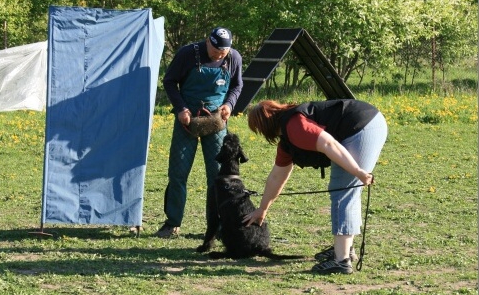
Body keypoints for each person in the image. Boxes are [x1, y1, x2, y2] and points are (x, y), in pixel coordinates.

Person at [243, 99, 387, 274]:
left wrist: (358, 171)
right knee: (344, 190)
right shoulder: (287, 138)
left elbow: (329, 144)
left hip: (363, 125)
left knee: (342, 190)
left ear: (264, 126)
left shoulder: (296, 126)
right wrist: (262, 209)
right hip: (365, 122)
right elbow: (276, 176)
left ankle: (341, 261)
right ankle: (345, 249)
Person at [156, 27, 243, 238]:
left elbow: (237, 86)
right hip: (188, 120)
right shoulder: (187, 53)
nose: (220, 55)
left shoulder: (234, 58)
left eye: (224, 52)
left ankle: (218, 227)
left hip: (216, 121)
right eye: (216, 51)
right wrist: (180, 108)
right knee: (178, 173)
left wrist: (229, 105)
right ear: (207, 42)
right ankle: (172, 222)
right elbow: (169, 81)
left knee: (218, 176)